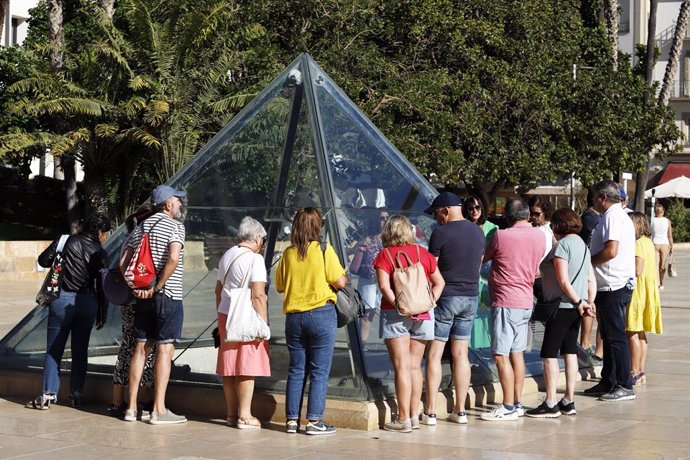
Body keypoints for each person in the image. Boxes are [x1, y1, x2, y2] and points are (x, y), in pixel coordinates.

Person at [275, 207, 348, 435]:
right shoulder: (324, 251)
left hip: (294, 318)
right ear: (318, 227)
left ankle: (291, 420)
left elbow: (279, 285)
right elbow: (340, 282)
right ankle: (315, 421)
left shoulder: (288, 254)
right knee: (319, 370)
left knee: (296, 370)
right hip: (321, 314)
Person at [28, 212, 111, 410]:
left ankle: (47, 396)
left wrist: (60, 258)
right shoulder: (100, 253)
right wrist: (102, 312)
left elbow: (43, 260)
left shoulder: (65, 241)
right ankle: (76, 395)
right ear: (98, 231)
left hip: (61, 300)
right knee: (80, 350)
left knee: (54, 349)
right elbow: (102, 286)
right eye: (105, 233)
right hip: (87, 301)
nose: (106, 237)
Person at [121, 184, 188, 424]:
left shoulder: (142, 227)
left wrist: (138, 288)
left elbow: (123, 262)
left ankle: (130, 408)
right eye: (177, 200)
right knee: (165, 349)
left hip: (142, 298)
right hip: (167, 295)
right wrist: (157, 287)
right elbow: (172, 257)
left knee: (140, 349)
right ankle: (158, 410)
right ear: (168, 204)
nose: (180, 204)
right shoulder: (175, 227)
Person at [373, 215, 445, 432]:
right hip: (424, 314)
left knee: (401, 366)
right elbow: (439, 282)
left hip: (396, 314)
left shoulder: (384, 255)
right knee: (415, 366)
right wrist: (428, 302)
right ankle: (413, 414)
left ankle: (402, 419)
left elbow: (384, 287)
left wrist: (399, 305)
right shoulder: (423, 253)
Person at [525, 209, 597, 418]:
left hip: (562, 306)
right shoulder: (583, 246)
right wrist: (588, 302)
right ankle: (568, 400)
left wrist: (577, 301)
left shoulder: (563, 246)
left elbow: (563, 280)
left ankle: (550, 402)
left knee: (548, 354)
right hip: (577, 307)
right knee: (570, 352)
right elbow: (591, 278)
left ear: (558, 226)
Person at [423, 192, 485, 425]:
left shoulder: (440, 233)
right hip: (470, 297)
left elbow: (432, 269)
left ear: (446, 210)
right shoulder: (478, 232)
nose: (436, 219)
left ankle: (430, 411)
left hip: (446, 298)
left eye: (437, 213)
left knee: (435, 353)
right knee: (461, 354)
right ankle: (460, 411)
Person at [480, 197, 545, 421]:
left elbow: (483, 258)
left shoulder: (501, 235)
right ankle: (516, 402)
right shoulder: (539, 236)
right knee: (517, 354)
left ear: (507, 217)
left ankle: (507, 405)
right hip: (526, 300)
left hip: (506, 301)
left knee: (500, 354)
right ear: (527, 215)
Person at [584, 180, 637, 402]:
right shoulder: (615, 216)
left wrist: (588, 262)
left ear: (603, 198)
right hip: (611, 284)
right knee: (608, 335)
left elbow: (611, 250)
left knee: (615, 337)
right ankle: (609, 379)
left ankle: (624, 384)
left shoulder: (614, 217)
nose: (593, 201)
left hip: (614, 284)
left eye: (595, 197)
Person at [215, 216, 270, 429]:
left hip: (226, 314)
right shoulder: (255, 259)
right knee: (247, 365)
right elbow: (258, 295)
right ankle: (245, 416)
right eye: (262, 241)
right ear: (256, 238)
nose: (262, 245)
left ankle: (230, 414)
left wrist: (222, 312)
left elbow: (218, 290)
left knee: (229, 366)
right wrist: (263, 323)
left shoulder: (227, 255)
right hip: (247, 316)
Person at [109, 204, 156, 416]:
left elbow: (121, 264)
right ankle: (141, 400)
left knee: (127, 348)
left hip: (127, 301)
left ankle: (118, 398)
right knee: (144, 348)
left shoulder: (130, 236)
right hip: (139, 299)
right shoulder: (142, 237)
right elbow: (125, 265)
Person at [627, 212, 662, 385]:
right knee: (641, 333)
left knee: (632, 331)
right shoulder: (649, 243)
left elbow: (638, 270)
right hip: (648, 291)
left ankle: (634, 371)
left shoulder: (638, 244)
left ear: (638, 226)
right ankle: (640, 371)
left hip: (637, 292)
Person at [463, 194, 498, 350]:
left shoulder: (493, 229)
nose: (474, 211)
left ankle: (484, 351)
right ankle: (471, 351)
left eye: (477, 207)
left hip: (486, 276)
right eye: (470, 208)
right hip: (468, 274)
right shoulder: (463, 226)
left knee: (485, 313)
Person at [352, 210, 386, 343]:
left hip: (386, 279)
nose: (385, 220)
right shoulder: (366, 239)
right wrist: (358, 249)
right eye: (382, 218)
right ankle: (362, 344)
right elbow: (352, 257)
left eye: (386, 218)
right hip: (369, 280)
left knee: (388, 313)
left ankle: (390, 344)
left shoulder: (390, 239)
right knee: (367, 314)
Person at [578, 189, 603, 361]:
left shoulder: (591, 217)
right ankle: (585, 344)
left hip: (590, 266)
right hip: (590, 267)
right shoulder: (591, 218)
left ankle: (586, 344)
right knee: (591, 304)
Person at [651, 203, 674, 290]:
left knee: (655, 265)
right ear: (663, 211)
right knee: (662, 266)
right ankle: (661, 282)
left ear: (655, 212)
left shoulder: (652, 220)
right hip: (665, 244)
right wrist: (672, 246)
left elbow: (649, 234)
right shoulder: (667, 221)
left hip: (655, 243)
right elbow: (670, 236)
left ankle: (657, 283)